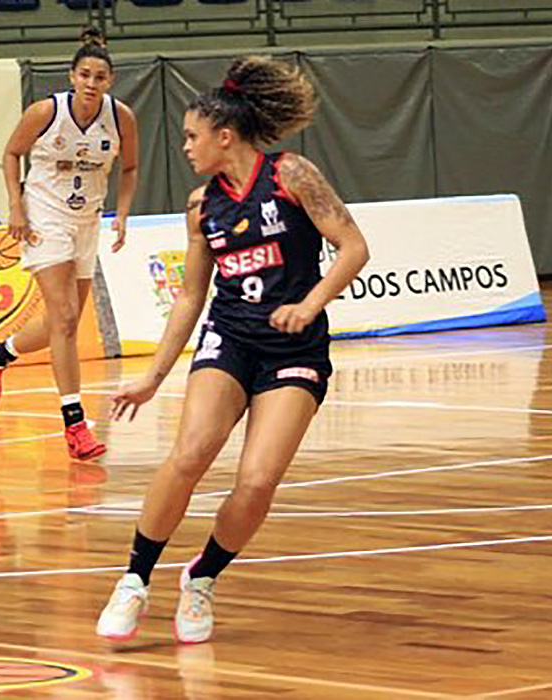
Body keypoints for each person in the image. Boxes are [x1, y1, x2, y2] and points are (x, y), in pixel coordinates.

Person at [95, 56, 370, 644]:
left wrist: (310, 303)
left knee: (258, 479)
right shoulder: (201, 206)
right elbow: (191, 296)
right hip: (230, 337)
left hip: (293, 347)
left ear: (225, 136)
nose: (186, 146)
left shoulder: (292, 175)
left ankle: (202, 578)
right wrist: (151, 375)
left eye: (193, 136)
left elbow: (352, 247)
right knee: (191, 452)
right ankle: (135, 578)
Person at [0, 26, 139, 461]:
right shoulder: (45, 112)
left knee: (60, 324)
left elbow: (130, 168)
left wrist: (121, 214)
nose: (91, 83)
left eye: (99, 77)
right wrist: (15, 205)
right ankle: (75, 425)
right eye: (84, 74)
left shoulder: (120, 117)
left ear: (110, 82)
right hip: (45, 217)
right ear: (71, 76)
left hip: (88, 220)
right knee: (64, 318)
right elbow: (11, 154)